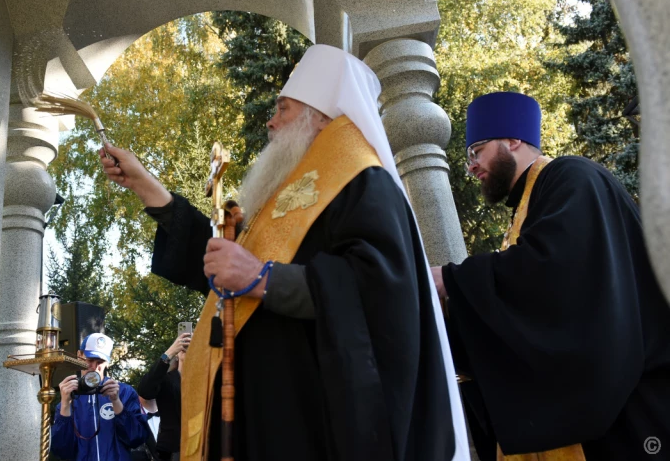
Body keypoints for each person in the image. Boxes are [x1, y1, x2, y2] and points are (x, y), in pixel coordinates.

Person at [100, 44, 470, 461]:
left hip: (315, 420)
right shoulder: (288, 197)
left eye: (283, 109)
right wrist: (145, 185)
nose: (271, 122)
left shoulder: (365, 182)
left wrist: (262, 278)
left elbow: (379, 290)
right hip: (267, 414)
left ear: (321, 118)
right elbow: (224, 263)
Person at [431, 92, 670, 461]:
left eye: (476, 151)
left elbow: (554, 272)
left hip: (633, 413)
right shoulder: (529, 209)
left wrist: (450, 279)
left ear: (512, 139)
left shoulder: (572, 175)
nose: (472, 167)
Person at [52, 333, 148, 461]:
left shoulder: (125, 392)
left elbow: (137, 438)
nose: (94, 367)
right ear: (79, 356)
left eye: (100, 362)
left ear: (108, 362)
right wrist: (65, 405)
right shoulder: (70, 396)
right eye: (90, 360)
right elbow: (61, 451)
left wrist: (116, 403)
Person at [137, 333, 190, 461]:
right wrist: (169, 352)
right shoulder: (165, 380)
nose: (187, 348)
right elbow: (145, 391)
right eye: (184, 345)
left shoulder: (205, 382)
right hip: (171, 452)